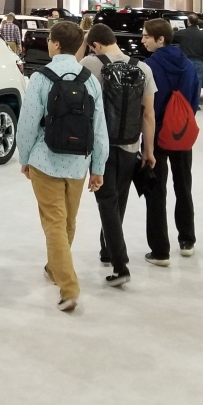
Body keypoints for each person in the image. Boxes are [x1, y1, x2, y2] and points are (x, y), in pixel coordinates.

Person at [17, 21, 109, 312]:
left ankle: (68, 286)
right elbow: (99, 128)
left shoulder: (41, 78)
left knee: (54, 223)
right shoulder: (90, 80)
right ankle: (53, 267)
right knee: (67, 222)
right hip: (78, 164)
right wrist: (98, 167)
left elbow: (28, 123)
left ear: (56, 44)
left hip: (46, 160)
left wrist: (24, 157)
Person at [81, 23, 156, 287]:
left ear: (95, 44)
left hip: (101, 144)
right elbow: (148, 113)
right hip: (130, 144)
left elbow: (70, 68)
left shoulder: (91, 63)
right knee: (118, 199)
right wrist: (149, 150)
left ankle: (120, 265)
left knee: (106, 202)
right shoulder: (143, 67)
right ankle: (107, 249)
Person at [140, 18, 201, 265]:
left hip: (158, 135)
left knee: (156, 191)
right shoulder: (187, 65)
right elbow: (194, 99)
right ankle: (187, 240)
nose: (142, 40)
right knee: (183, 186)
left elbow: (146, 107)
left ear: (160, 39)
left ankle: (160, 250)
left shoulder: (149, 67)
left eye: (146, 36)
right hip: (182, 134)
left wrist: (147, 140)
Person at [174, 14, 203, 85]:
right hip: (198, 61)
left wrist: (174, 29)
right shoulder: (202, 34)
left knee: (186, 81)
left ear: (188, 22)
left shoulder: (182, 33)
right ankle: (196, 96)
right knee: (198, 81)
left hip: (185, 60)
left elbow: (171, 36)